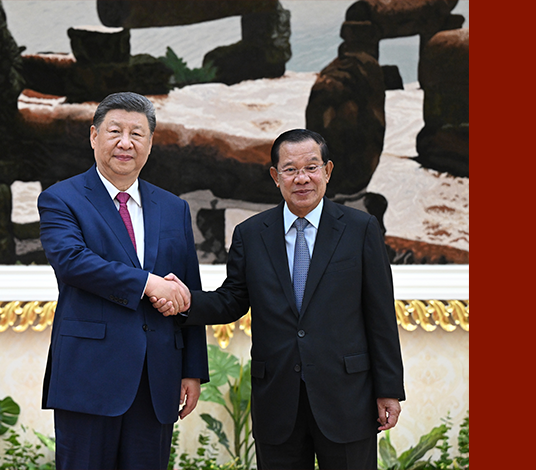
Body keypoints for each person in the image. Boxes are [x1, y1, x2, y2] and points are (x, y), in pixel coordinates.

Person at [152, 129, 405, 470]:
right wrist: (185, 302)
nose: (302, 178)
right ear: (275, 176)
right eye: (290, 169)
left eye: (311, 167)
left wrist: (389, 389)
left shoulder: (360, 229)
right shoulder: (251, 234)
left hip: (346, 397)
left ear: (327, 171)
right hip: (277, 398)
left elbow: (380, 315)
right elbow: (232, 300)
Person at [38, 91, 209, 470]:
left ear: (150, 142)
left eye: (137, 133)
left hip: (157, 376)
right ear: (94, 136)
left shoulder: (174, 207)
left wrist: (193, 369)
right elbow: (73, 262)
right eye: (115, 131)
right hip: (88, 375)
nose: (125, 143)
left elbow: (187, 289)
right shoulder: (61, 198)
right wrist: (149, 284)